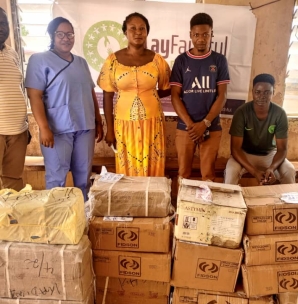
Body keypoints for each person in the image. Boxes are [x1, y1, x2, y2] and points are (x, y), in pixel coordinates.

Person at [25, 17, 103, 201]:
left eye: (70, 34)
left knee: (83, 178)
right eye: (60, 34)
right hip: (56, 129)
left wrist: (98, 121)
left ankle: (81, 219)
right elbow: (34, 96)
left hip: (85, 127)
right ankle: (55, 221)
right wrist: (43, 128)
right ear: (52, 36)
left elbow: (90, 91)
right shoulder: (39, 60)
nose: (66, 38)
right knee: (56, 178)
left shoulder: (81, 62)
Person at [97, 12, 171, 177]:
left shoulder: (157, 60)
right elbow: (107, 96)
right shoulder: (112, 61)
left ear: (147, 32)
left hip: (152, 124)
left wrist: (149, 95)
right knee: (127, 170)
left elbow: (168, 86)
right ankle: (131, 202)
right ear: (125, 32)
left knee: (153, 167)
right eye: (133, 28)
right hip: (124, 125)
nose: (138, 32)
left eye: (142, 29)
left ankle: (152, 201)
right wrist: (110, 130)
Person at [170, 13, 230, 182]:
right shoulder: (181, 61)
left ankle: (207, 209)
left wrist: (205, 124)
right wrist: (191, 126)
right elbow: (175, 96)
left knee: (209, 176)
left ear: (212, 34)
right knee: (183, 175)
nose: (201, 39)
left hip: (211, 127)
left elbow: (222, 95)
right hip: (185, 128)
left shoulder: (219, 60)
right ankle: (181, 209)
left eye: (205, 34)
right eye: (197, 35)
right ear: (190, 35)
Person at [224, 73, 296, 185]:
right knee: (231, 172)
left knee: (289, 171)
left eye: (267, 92)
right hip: (245, 154)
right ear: (252, 92)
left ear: (273, 92)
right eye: (258, 92)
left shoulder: (279, 113)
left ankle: (287, 201)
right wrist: (254, 172)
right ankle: (230, 202)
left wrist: (272, 168)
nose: (262, 96)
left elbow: (282, 149)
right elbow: (235, 149)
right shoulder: (242, 112)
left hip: (269, 154)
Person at [0, 7, 29, 191]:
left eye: (3, 23)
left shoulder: (12, 53)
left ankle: (10, 218)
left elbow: (17, 88)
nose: (1, 27)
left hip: (18, 131)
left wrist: (25, 123)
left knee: (14, 181)